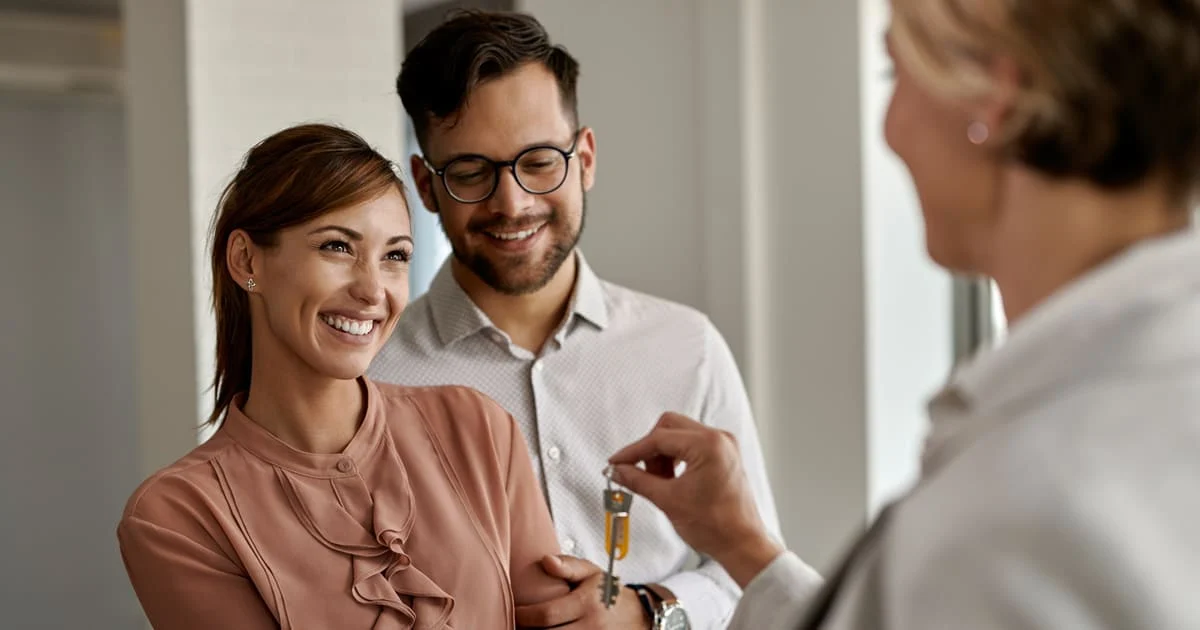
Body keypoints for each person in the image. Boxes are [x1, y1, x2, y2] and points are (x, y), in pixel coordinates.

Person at [608, 0, 1200, 628]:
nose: (890, 129)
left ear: (991, 100)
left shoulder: (1030, 504)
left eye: (896, 74)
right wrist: (744, 545)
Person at [367, 9, 796, 629]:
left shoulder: (687, 348)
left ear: (585, 158)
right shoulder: (372, 375)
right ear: (425, 187)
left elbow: (755, 576)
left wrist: (650, 613)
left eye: (539, 161)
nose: (511, 203)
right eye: (469, 173)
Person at [116, 123, 570, 629]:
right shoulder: (179, 517)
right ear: (247, 259)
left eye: (395, 256)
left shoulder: (478, 428)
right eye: (337, 247)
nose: (373, 290)